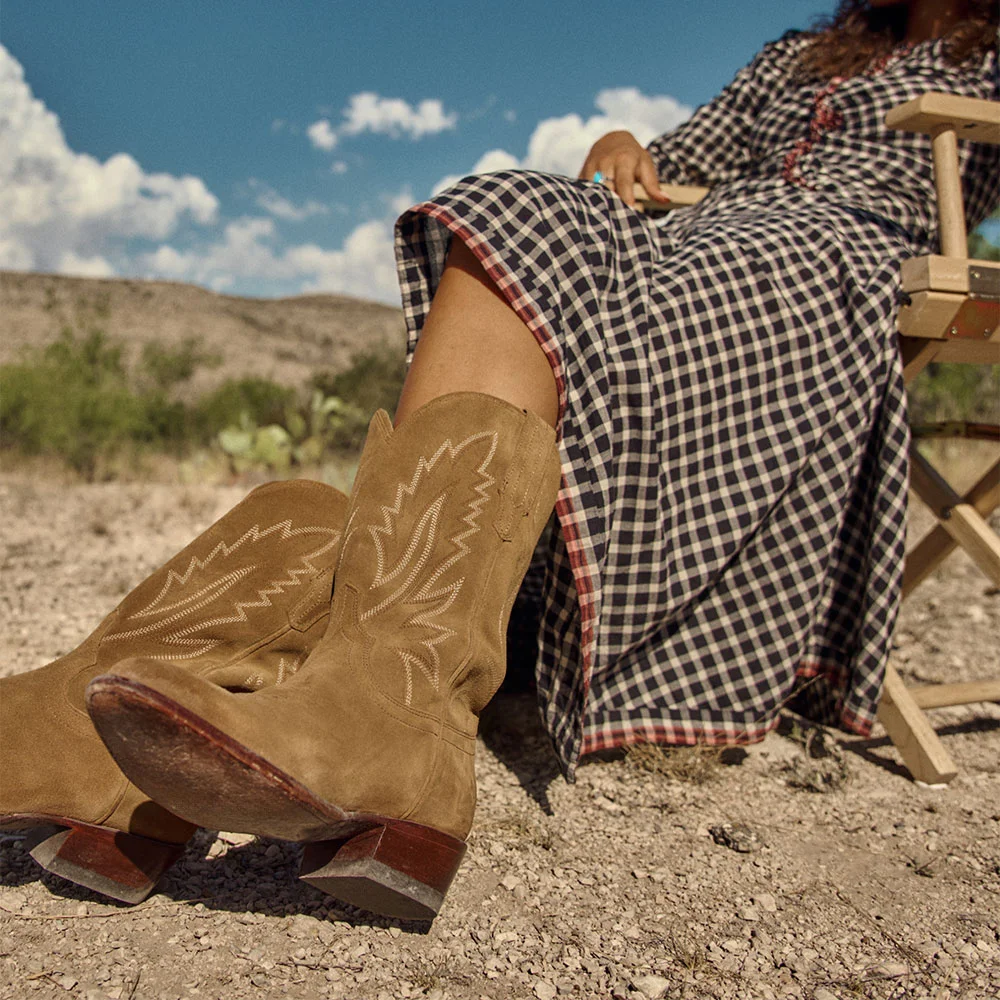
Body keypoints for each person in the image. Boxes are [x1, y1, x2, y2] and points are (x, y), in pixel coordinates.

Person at [4, 0, 998, 919]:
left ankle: (348, 721)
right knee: (509, 210)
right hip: (706, 231)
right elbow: (678, 157)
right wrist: (622, 146)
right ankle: (160, 735)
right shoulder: (800, 53)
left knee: (543, 239)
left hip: (836, 258)